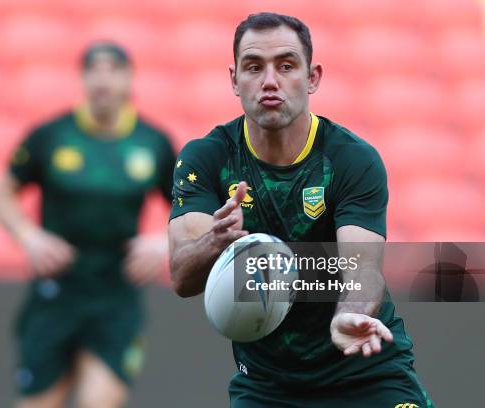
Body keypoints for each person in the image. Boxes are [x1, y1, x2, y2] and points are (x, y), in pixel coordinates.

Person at [168, 13, 435, 408]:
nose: (269, 80)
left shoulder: (350, 159)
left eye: (286, 65)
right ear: (233, 79)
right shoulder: (206, 158)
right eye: (254, 67)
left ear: (312, 78)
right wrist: (215, 241)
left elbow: (362, 268)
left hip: (364, 370)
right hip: (267, 385)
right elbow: (181, 277)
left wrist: (350, 315)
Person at [0, 42, 175, 408]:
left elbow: (190, 207)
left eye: (112, 69)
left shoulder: (152, 143)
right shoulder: (51, 136)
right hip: (56, 291)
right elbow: (2, 196)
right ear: (82, 78)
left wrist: (163, 242)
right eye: (93, 69)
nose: (102, 78)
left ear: (128, 78)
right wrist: (30, 236)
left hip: (116, 294)